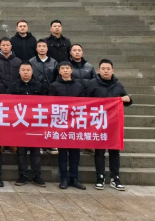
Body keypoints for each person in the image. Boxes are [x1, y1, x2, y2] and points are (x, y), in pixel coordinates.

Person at [87, 59, 132, 191]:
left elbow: (126, 99)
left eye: (108, 69)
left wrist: (128, 99)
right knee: (99, 152)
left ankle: (115, 177)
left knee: (114, 151)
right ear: (98, 70)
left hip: (113, 124)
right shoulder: (92, 84)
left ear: (113, 70)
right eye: (103, 69)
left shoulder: (118, 85)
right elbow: (84, 101)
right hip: (98, 123)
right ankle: (100, 177)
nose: (106, 71)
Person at [9, 61, 48, 187]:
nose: (25, 72)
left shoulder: (39, 85)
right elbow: (8, 103)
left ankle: (37, 176)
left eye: (28, 70)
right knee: (21, 151)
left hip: (35, 124)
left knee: (35, 151)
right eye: (23, 70)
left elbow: (46, 103)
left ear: (32, 71)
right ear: (19, 71)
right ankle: (23, 175)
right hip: (19, 123)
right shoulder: (13, 85)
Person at [49, 61, 87, 190]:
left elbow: (84, 103)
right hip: (61, 124)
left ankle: (74, 178)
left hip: (75, 124)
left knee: (75, 153)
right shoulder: (54, 86)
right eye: (63, 68)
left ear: (71, 70)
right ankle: (64, 179)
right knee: (63, 154)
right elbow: (50, 104)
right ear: (59, 71)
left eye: (67, 68)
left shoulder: (79, 86)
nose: (65, 70)